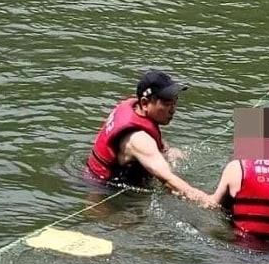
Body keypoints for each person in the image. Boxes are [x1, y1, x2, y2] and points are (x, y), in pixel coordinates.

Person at [86, 70, 215, 208]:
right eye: (166, 103)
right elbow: (168, 180)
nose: (173, 109)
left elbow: (151, 135)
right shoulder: (139, 140)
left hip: (98, 179)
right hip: (103, 195)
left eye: (174, 101)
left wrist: (167, 150)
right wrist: (207, 200)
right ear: (145, 103)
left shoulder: (134, 106)